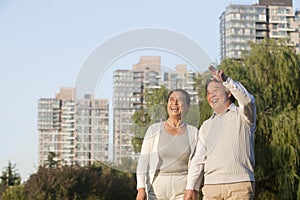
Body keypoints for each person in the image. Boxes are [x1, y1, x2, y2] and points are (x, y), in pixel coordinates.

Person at [184, 65, 256, 200]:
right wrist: (191, 187)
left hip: (239, 185)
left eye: (216, 90)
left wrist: (226, 80)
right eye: (208, 93)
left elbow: (247, 100)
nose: (211, 96)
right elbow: (198, 159)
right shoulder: (206, 126)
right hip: (211, 187)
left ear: (229, 93)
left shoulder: (244, 116)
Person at [136, 89, 202, 200]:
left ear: (187, 106)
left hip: (182, 189)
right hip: (156, 188)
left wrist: (194, 189)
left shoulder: (193, 132)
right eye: (171, 100)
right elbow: (143, 160)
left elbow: (198, 163)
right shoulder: (154, 129)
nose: (174, 103)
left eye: (180, 100)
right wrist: (141, 188)